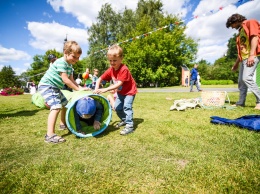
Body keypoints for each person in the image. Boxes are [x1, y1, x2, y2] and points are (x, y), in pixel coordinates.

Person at [38, 41, 90, 143]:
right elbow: (65, 80)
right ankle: (49, 135)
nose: (76, 60)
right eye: (74, 57)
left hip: (55, 87)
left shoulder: (70, 66)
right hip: (48, 86)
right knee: (56, 107)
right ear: (66, 52)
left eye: (78, 57)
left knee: (65, 105)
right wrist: (78, 89)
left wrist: (80, 87)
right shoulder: (61, 62)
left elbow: (72, 80)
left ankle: (62, 124)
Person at [93, 44, 137, 135]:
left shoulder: (124, 69)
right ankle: (124, 120)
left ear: (121, 58)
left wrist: (105, 89)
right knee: (117, 107)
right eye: (110, 61)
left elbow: (119, 84)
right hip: (121, 92)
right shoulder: (111, 69)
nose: (112, 63)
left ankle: (130, 126)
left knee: (126, 107)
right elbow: (99, 79)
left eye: (115, 60)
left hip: (129, 92)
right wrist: (96, 89)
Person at [226, 13, 260, 109]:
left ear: (235, 21)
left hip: (253, 55)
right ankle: (241, 103)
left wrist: (252, 55)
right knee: (241, 81)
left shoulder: (250, 22)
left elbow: (255, 37)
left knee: (246, 78)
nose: (232, 28)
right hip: (244, 59)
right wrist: (236, 63)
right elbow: (241, 50)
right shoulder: (240, 32)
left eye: (232, 25)